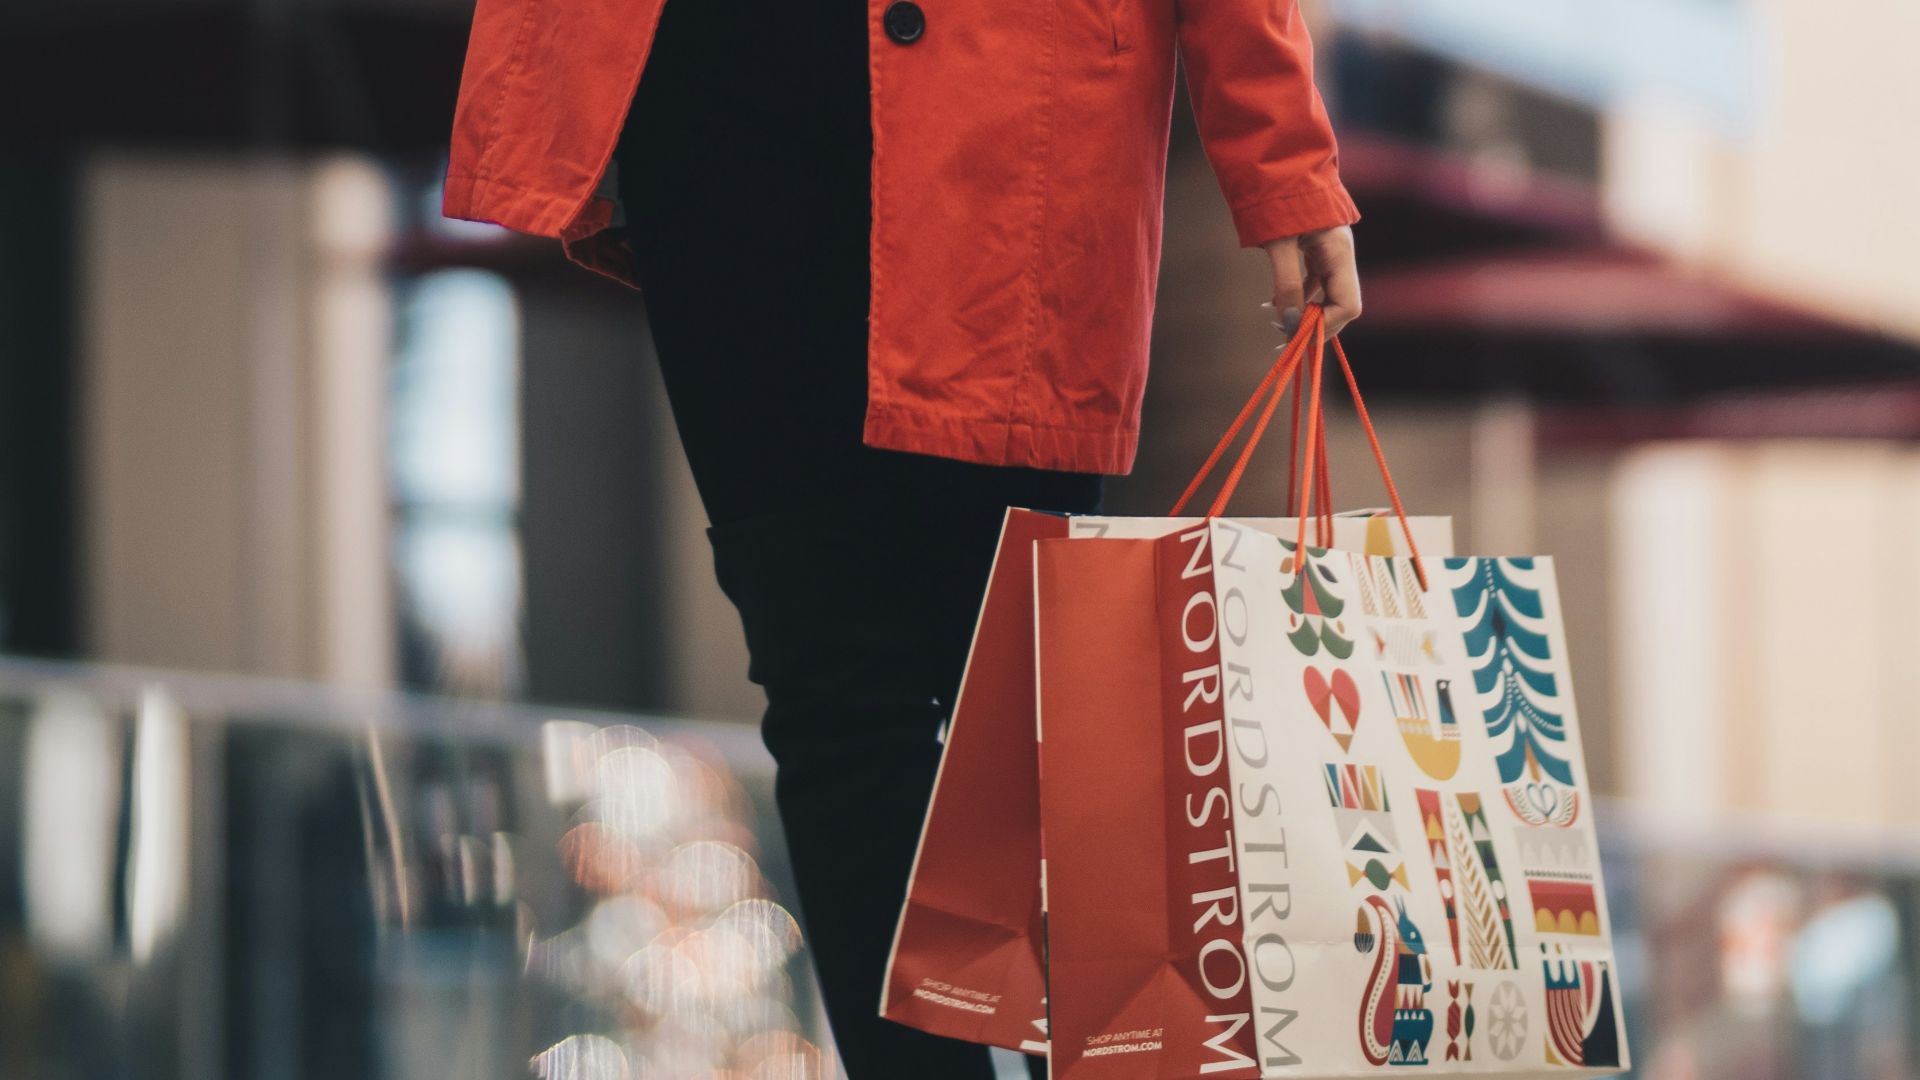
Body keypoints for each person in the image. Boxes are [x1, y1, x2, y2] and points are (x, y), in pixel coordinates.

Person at [441, 0, 1361, 1075]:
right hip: (723, 87)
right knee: (833, 691)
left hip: (1015, 103)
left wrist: (1282, 154)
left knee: (1029, 706)